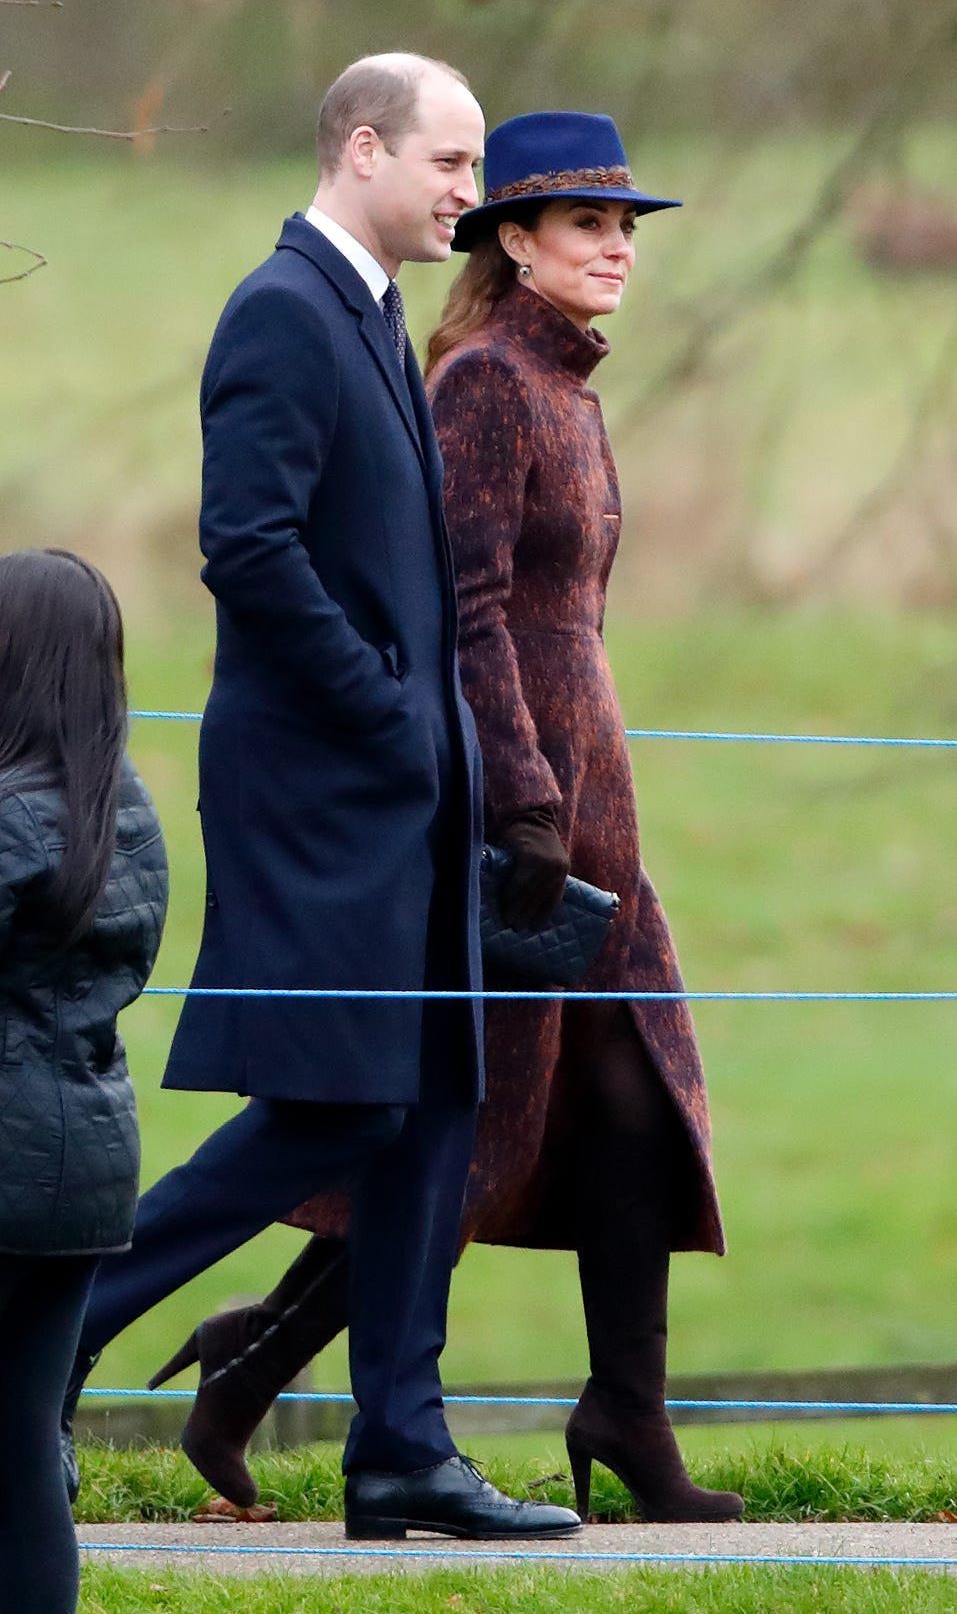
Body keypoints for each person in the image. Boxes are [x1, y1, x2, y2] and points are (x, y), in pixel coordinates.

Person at [140, 112, 745, 1526]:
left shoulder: (566, 389)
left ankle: (614, 1410)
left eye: (626, 226)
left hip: (586, 804)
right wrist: (513, 792)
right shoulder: (478, 382)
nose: (613, 247)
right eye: (582, 222)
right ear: (510, 242)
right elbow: (467, 614)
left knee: (616, 1102)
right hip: (509, 800)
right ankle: (271, 1366)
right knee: (459, 1116)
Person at [58, 59, 580, 1543]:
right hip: (324, 789)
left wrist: (440, 748)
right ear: (363, 148)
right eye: (452, 158)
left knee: (436, 1100)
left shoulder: (370, 314)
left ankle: (403, 1446)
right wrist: (391, 714)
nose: (472, 191)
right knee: (344, 1097)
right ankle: (51, 1328)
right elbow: (249, 547)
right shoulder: (281, 311)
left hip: (398, 788)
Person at [0, 549, 168, 1614]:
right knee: (20, 1450)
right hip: (85, 1174)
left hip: (10, 1164)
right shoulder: (127, 809)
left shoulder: (12, 814)